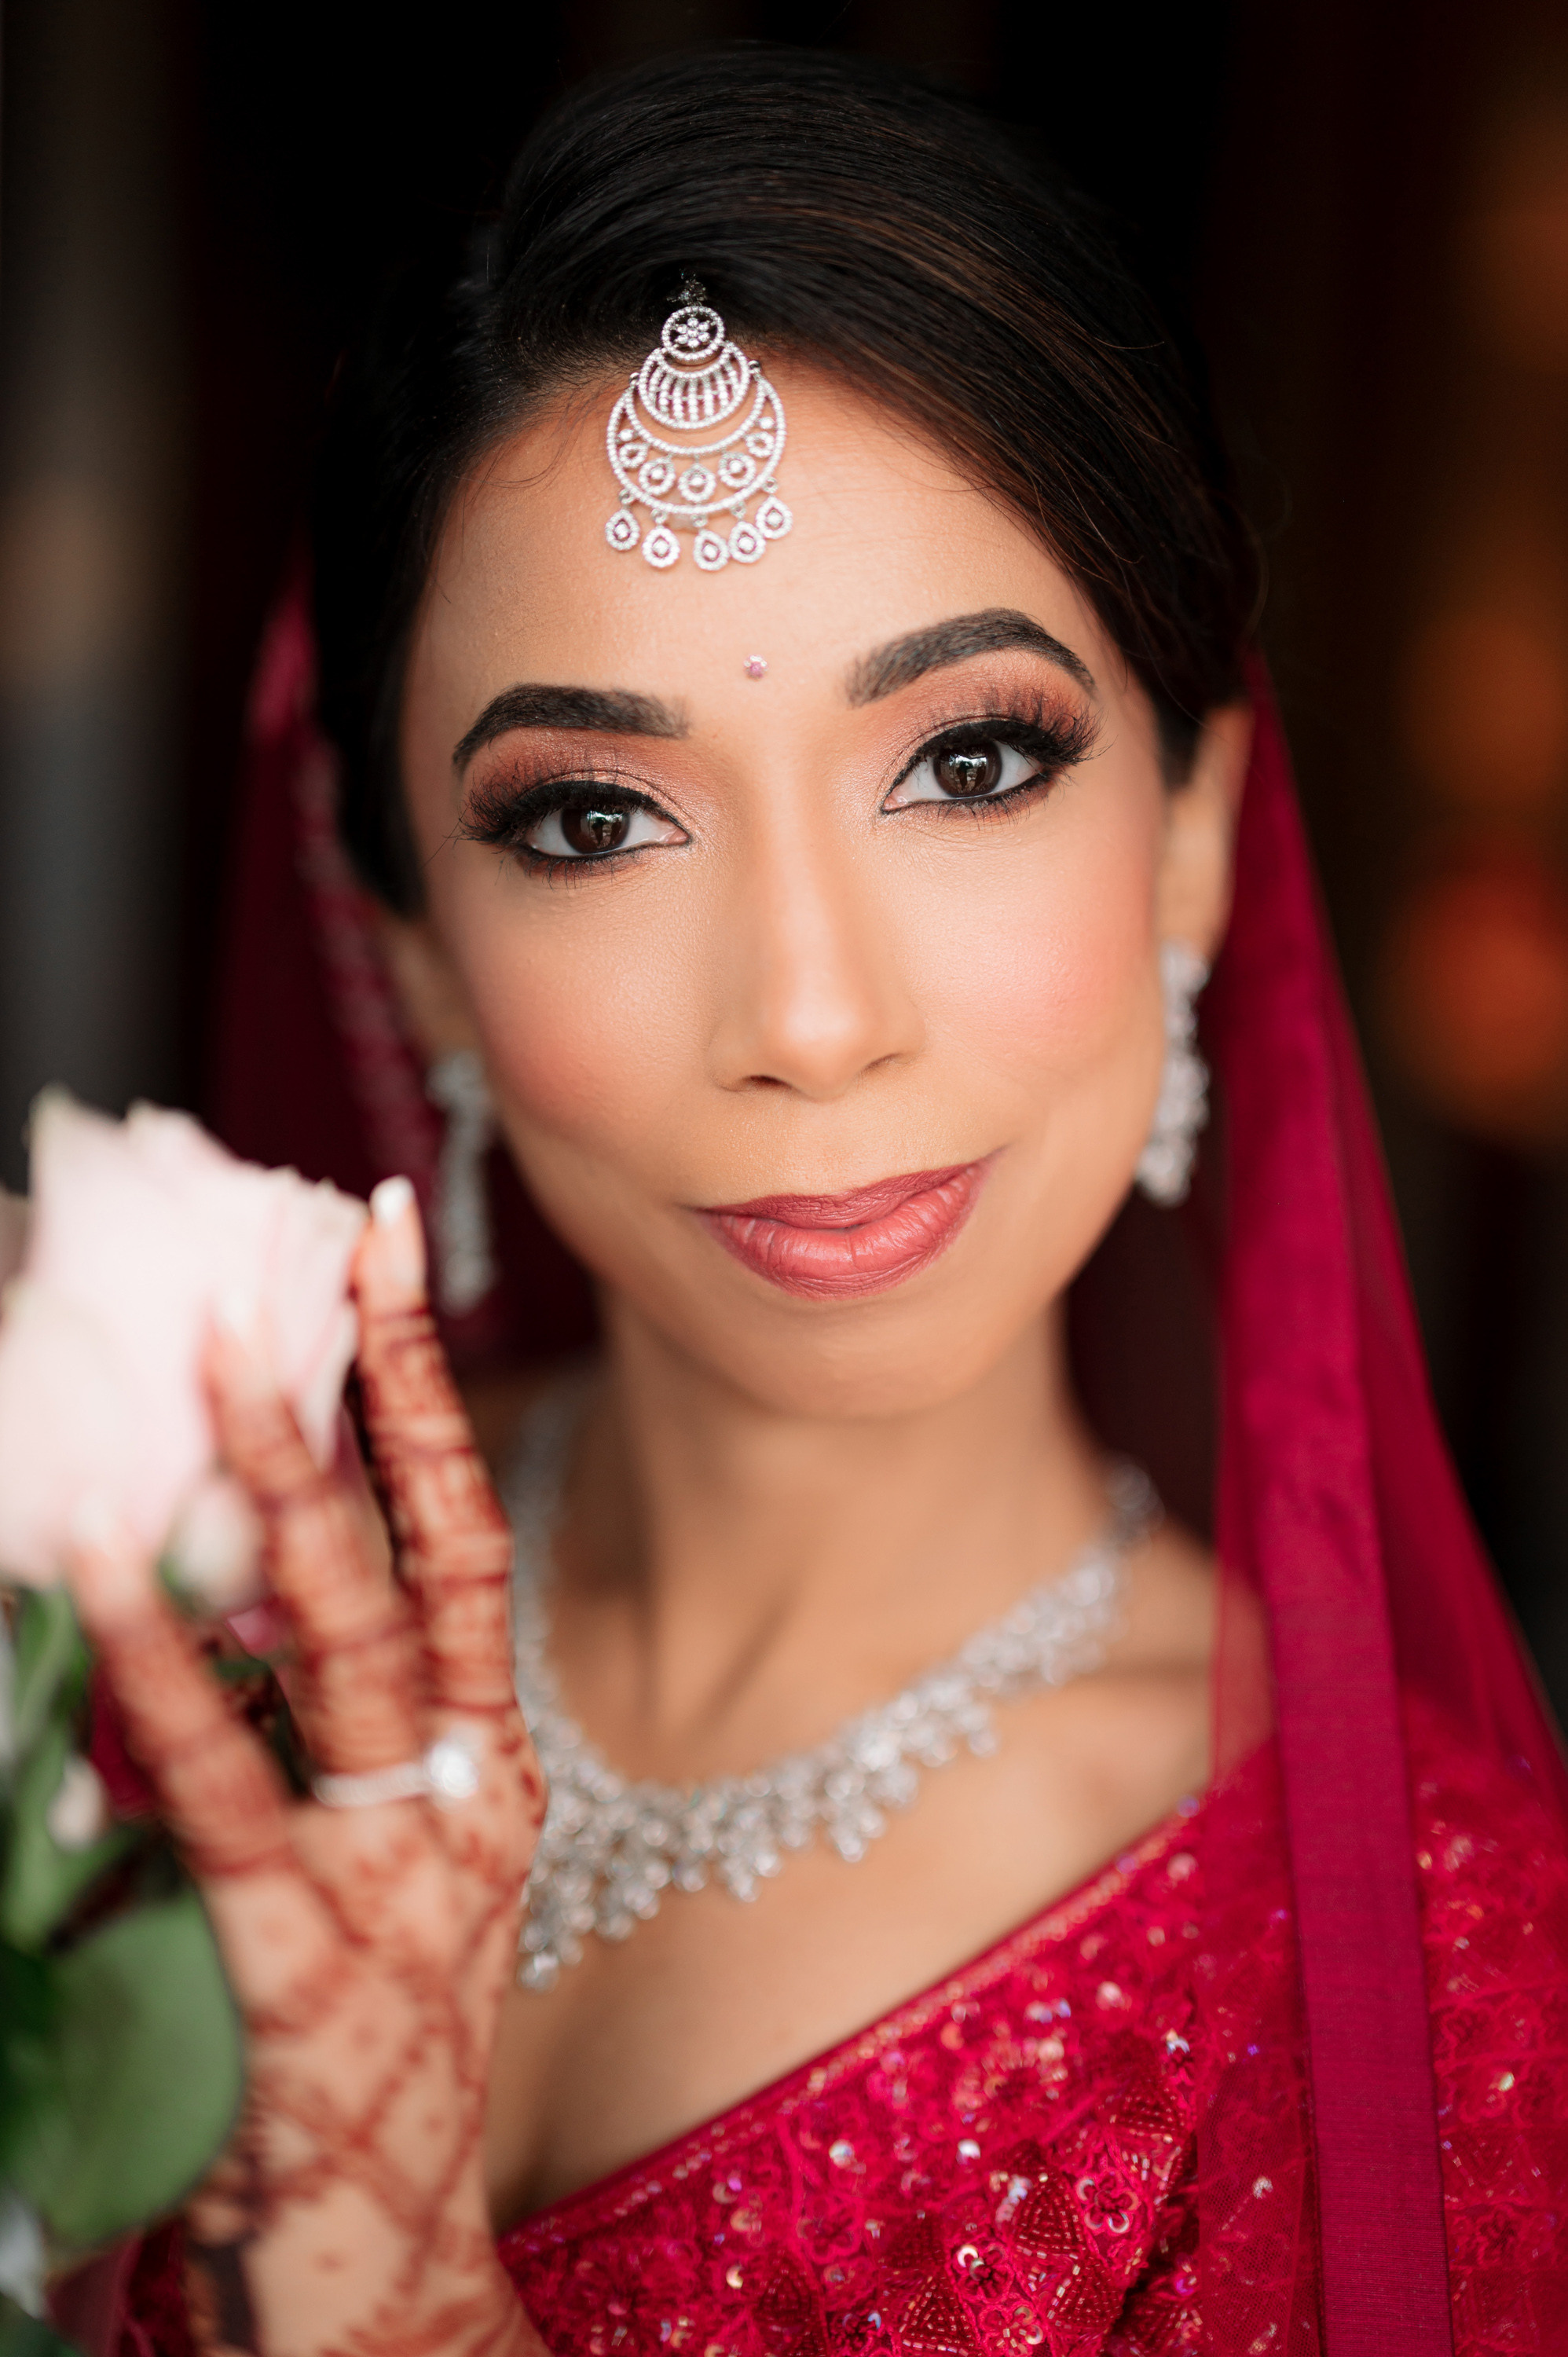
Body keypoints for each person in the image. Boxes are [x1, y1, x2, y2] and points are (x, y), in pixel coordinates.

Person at [74, 46, 1568, 2357]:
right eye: (591, 817)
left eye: (968, 762)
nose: (810, 1014)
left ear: (1192, 836)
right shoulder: (161, 1643)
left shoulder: (1443, 1990)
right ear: (416, 956)